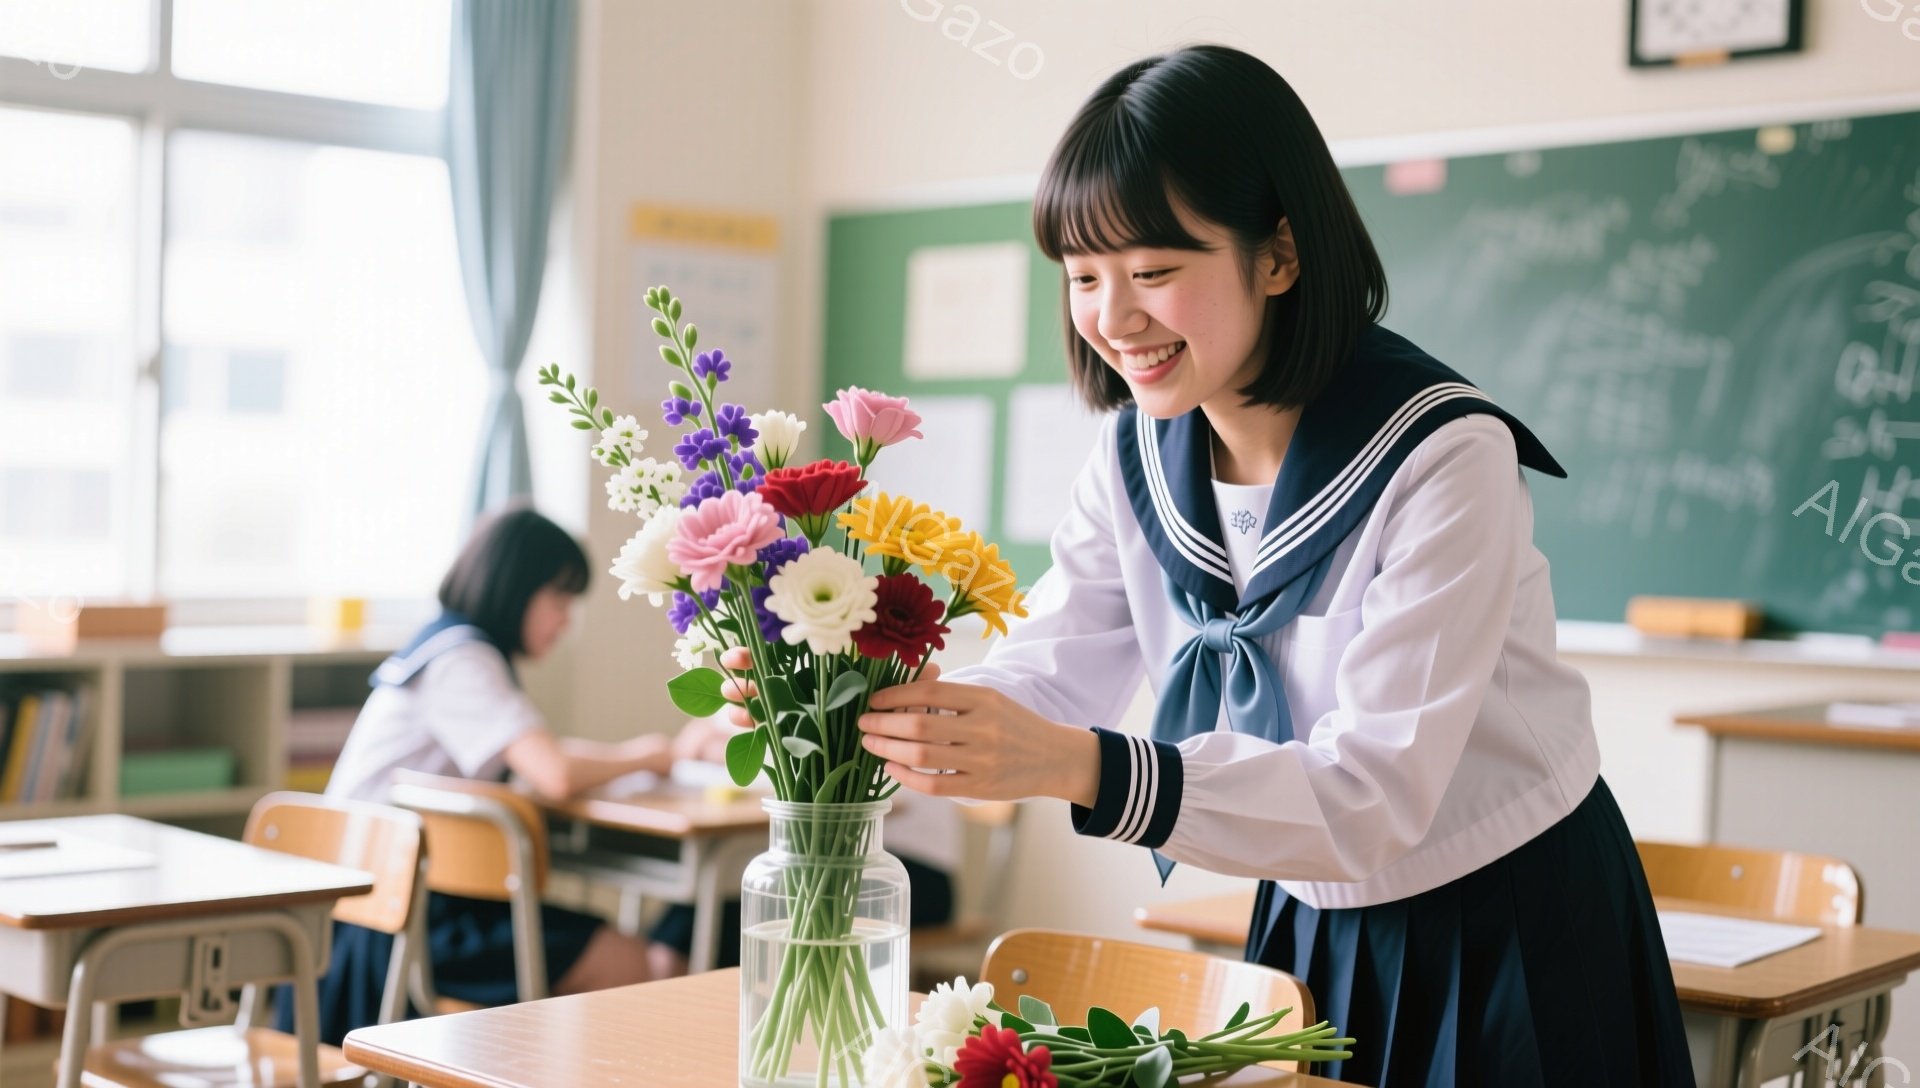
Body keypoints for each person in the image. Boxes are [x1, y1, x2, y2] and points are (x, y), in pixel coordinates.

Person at [726, 45, 1693, 1087]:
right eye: (1085, 276)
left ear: (1278, 255)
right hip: (1304, 908)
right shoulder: (1138, 450)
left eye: (1152, 272)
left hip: (1507, 919)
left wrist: (1082, 765)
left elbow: (1373, 790)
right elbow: (1055, 659)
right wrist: (874, 712)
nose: (1113, 316)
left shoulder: (1445, 453)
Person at [296, 503, 698, 1044]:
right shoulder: (463, 662)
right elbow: (552, 772)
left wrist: (644, 756)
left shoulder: (447, 647)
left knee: (636, 957)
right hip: (394, 925)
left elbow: (535, 754)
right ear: (516, 588)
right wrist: (656, 755)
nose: (565, 620)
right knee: (631, 963)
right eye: (559, 598)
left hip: (389, 907)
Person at [645, 714, 959, 975]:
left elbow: (819, 767)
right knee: (695, 912)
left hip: (907, 874)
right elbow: (698, 737)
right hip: (826, 860)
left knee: (712, 919)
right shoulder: (776, 662)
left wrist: (728, 748)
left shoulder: (845, 666)